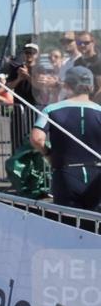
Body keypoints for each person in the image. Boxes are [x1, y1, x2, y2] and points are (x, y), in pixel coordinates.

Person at [30, 66, 101, 211]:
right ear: (91, 87)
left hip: (66, 173)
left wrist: (48, 154)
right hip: (97, 173)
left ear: (67, 85)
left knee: (68, 223)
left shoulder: (51, 109)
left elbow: (37, 138)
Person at [74, 32, 101, 101]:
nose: (82, 45)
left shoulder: (99, 61)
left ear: (93, 43)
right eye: (79, 43)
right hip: (83, 103)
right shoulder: (77, 63)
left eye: (86, 42)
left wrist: (91, 103)